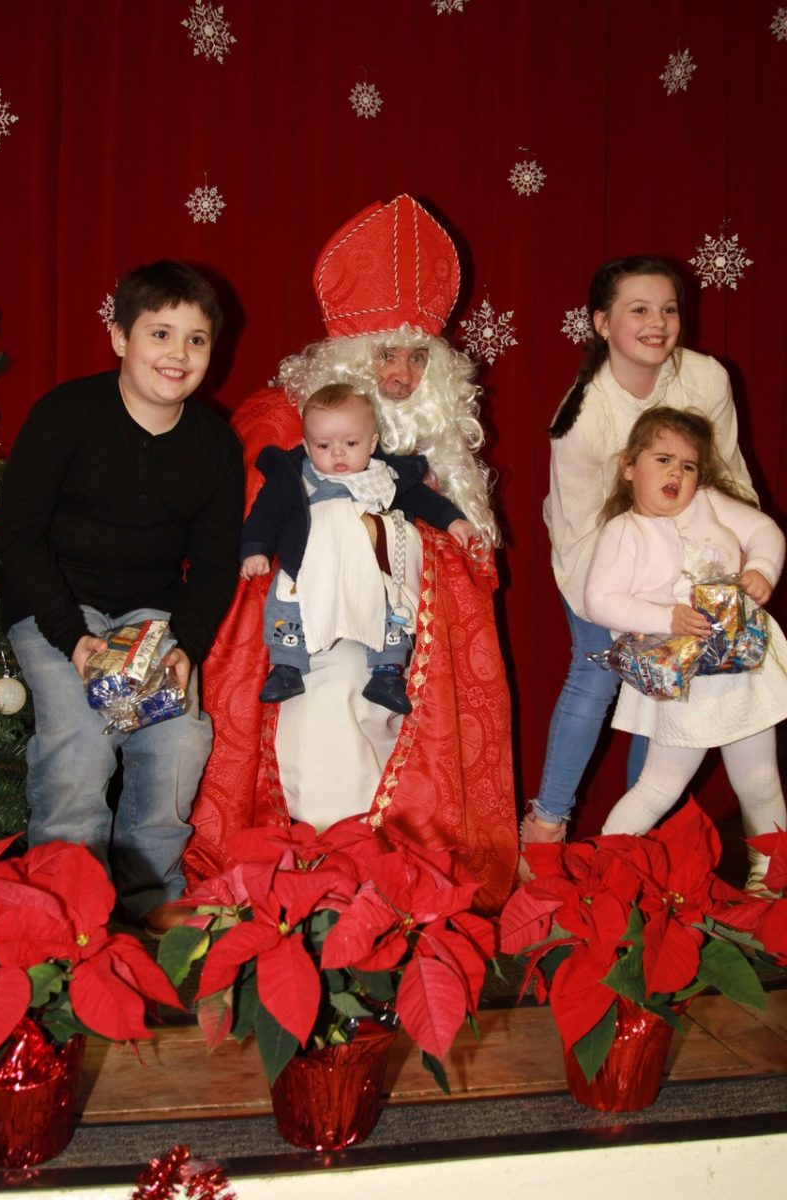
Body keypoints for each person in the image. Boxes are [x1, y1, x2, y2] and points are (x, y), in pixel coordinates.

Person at [184, 196, 518, 913]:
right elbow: (251, 522)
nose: (401, 373)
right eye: (385, 353)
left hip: (401, 641)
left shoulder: (427, 446)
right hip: (315, 634)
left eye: (418, 356)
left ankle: (380, 875)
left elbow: (447, 525)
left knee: (380, 727)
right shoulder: (280, 422)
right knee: (326, 727)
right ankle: (329, 873)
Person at [0, 260, 245, 932]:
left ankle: (152, 899)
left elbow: (214, 564)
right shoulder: (64, 415)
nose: (178, 353)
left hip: (150, 614)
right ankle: (64, 909)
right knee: (81, 739)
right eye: (160, 333)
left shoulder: (216, 446)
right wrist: (72, 638)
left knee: (179, 739)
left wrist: (186, 647)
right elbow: (18, 537)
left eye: (196, 339)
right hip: (56, 604)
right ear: (119, 337)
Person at [522, 255, 756, 878]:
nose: (658, 323)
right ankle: (545, 827)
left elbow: (728, 476)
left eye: (668, 309)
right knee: (596, 672)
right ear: (602, 323)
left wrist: (731, 567)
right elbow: (578, 531)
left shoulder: (705, 378)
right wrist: (617, 612)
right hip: (603, 556)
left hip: (688, 555)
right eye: (639, 310)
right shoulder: (582, 418)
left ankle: (635, 841)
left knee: (663, 684)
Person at [584, 407, 787, 897]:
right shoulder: (623, 531)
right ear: (629, 467)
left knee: (760, 781)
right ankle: (597, 876)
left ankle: (771, 881)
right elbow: (600, 601)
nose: (676, 472)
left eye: (689, 465)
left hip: (741, 670)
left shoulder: (709, 505)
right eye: (663, 459)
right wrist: (666, 617)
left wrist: (761, 569)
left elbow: (766, 532)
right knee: (658, 787)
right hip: (685, 683)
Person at [241, 384, 474, 715]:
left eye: (351, 444)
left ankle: (387, 672)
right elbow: (266, 514)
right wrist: (256, 549)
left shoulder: (383, 479)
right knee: (286, 601)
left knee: (393, 607)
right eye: (324, 446)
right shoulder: (296, 479)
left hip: (368, 568)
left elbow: (423, 500)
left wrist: (452, 520)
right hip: (310, 566)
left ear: (372, 443)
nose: (338, 454)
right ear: (306, 446)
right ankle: (286, 667)